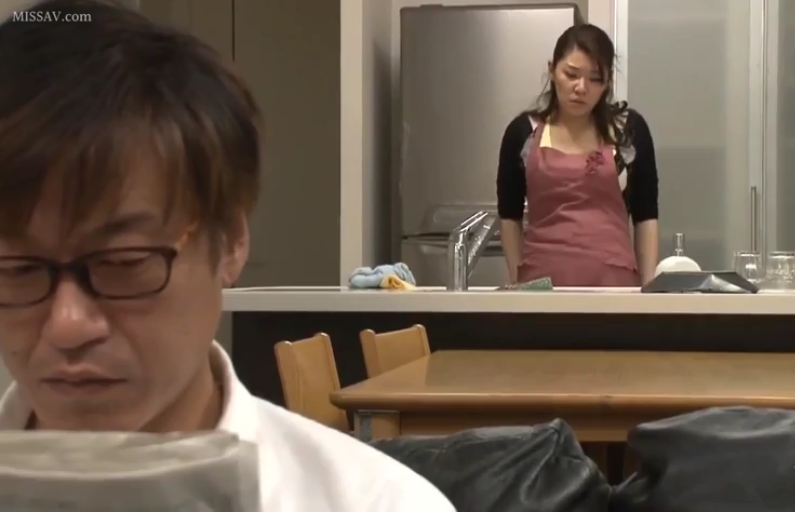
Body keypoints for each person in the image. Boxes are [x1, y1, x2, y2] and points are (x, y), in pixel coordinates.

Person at [0, 1, 455, 511]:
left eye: (124, 262)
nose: (67, 325)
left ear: (231, 240)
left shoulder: (374, 502)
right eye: (15, 269)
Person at [496, 24, 659, 287]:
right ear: (552, 70)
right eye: (571, 74)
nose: (581, 88)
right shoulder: (523, 133)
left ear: (607, 83)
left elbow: (646, 216)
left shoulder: (628, 132)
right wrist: (517, 284)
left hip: (615, 288)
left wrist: (648, 289)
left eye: (595, 79)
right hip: (540, 288)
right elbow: (509, 216)